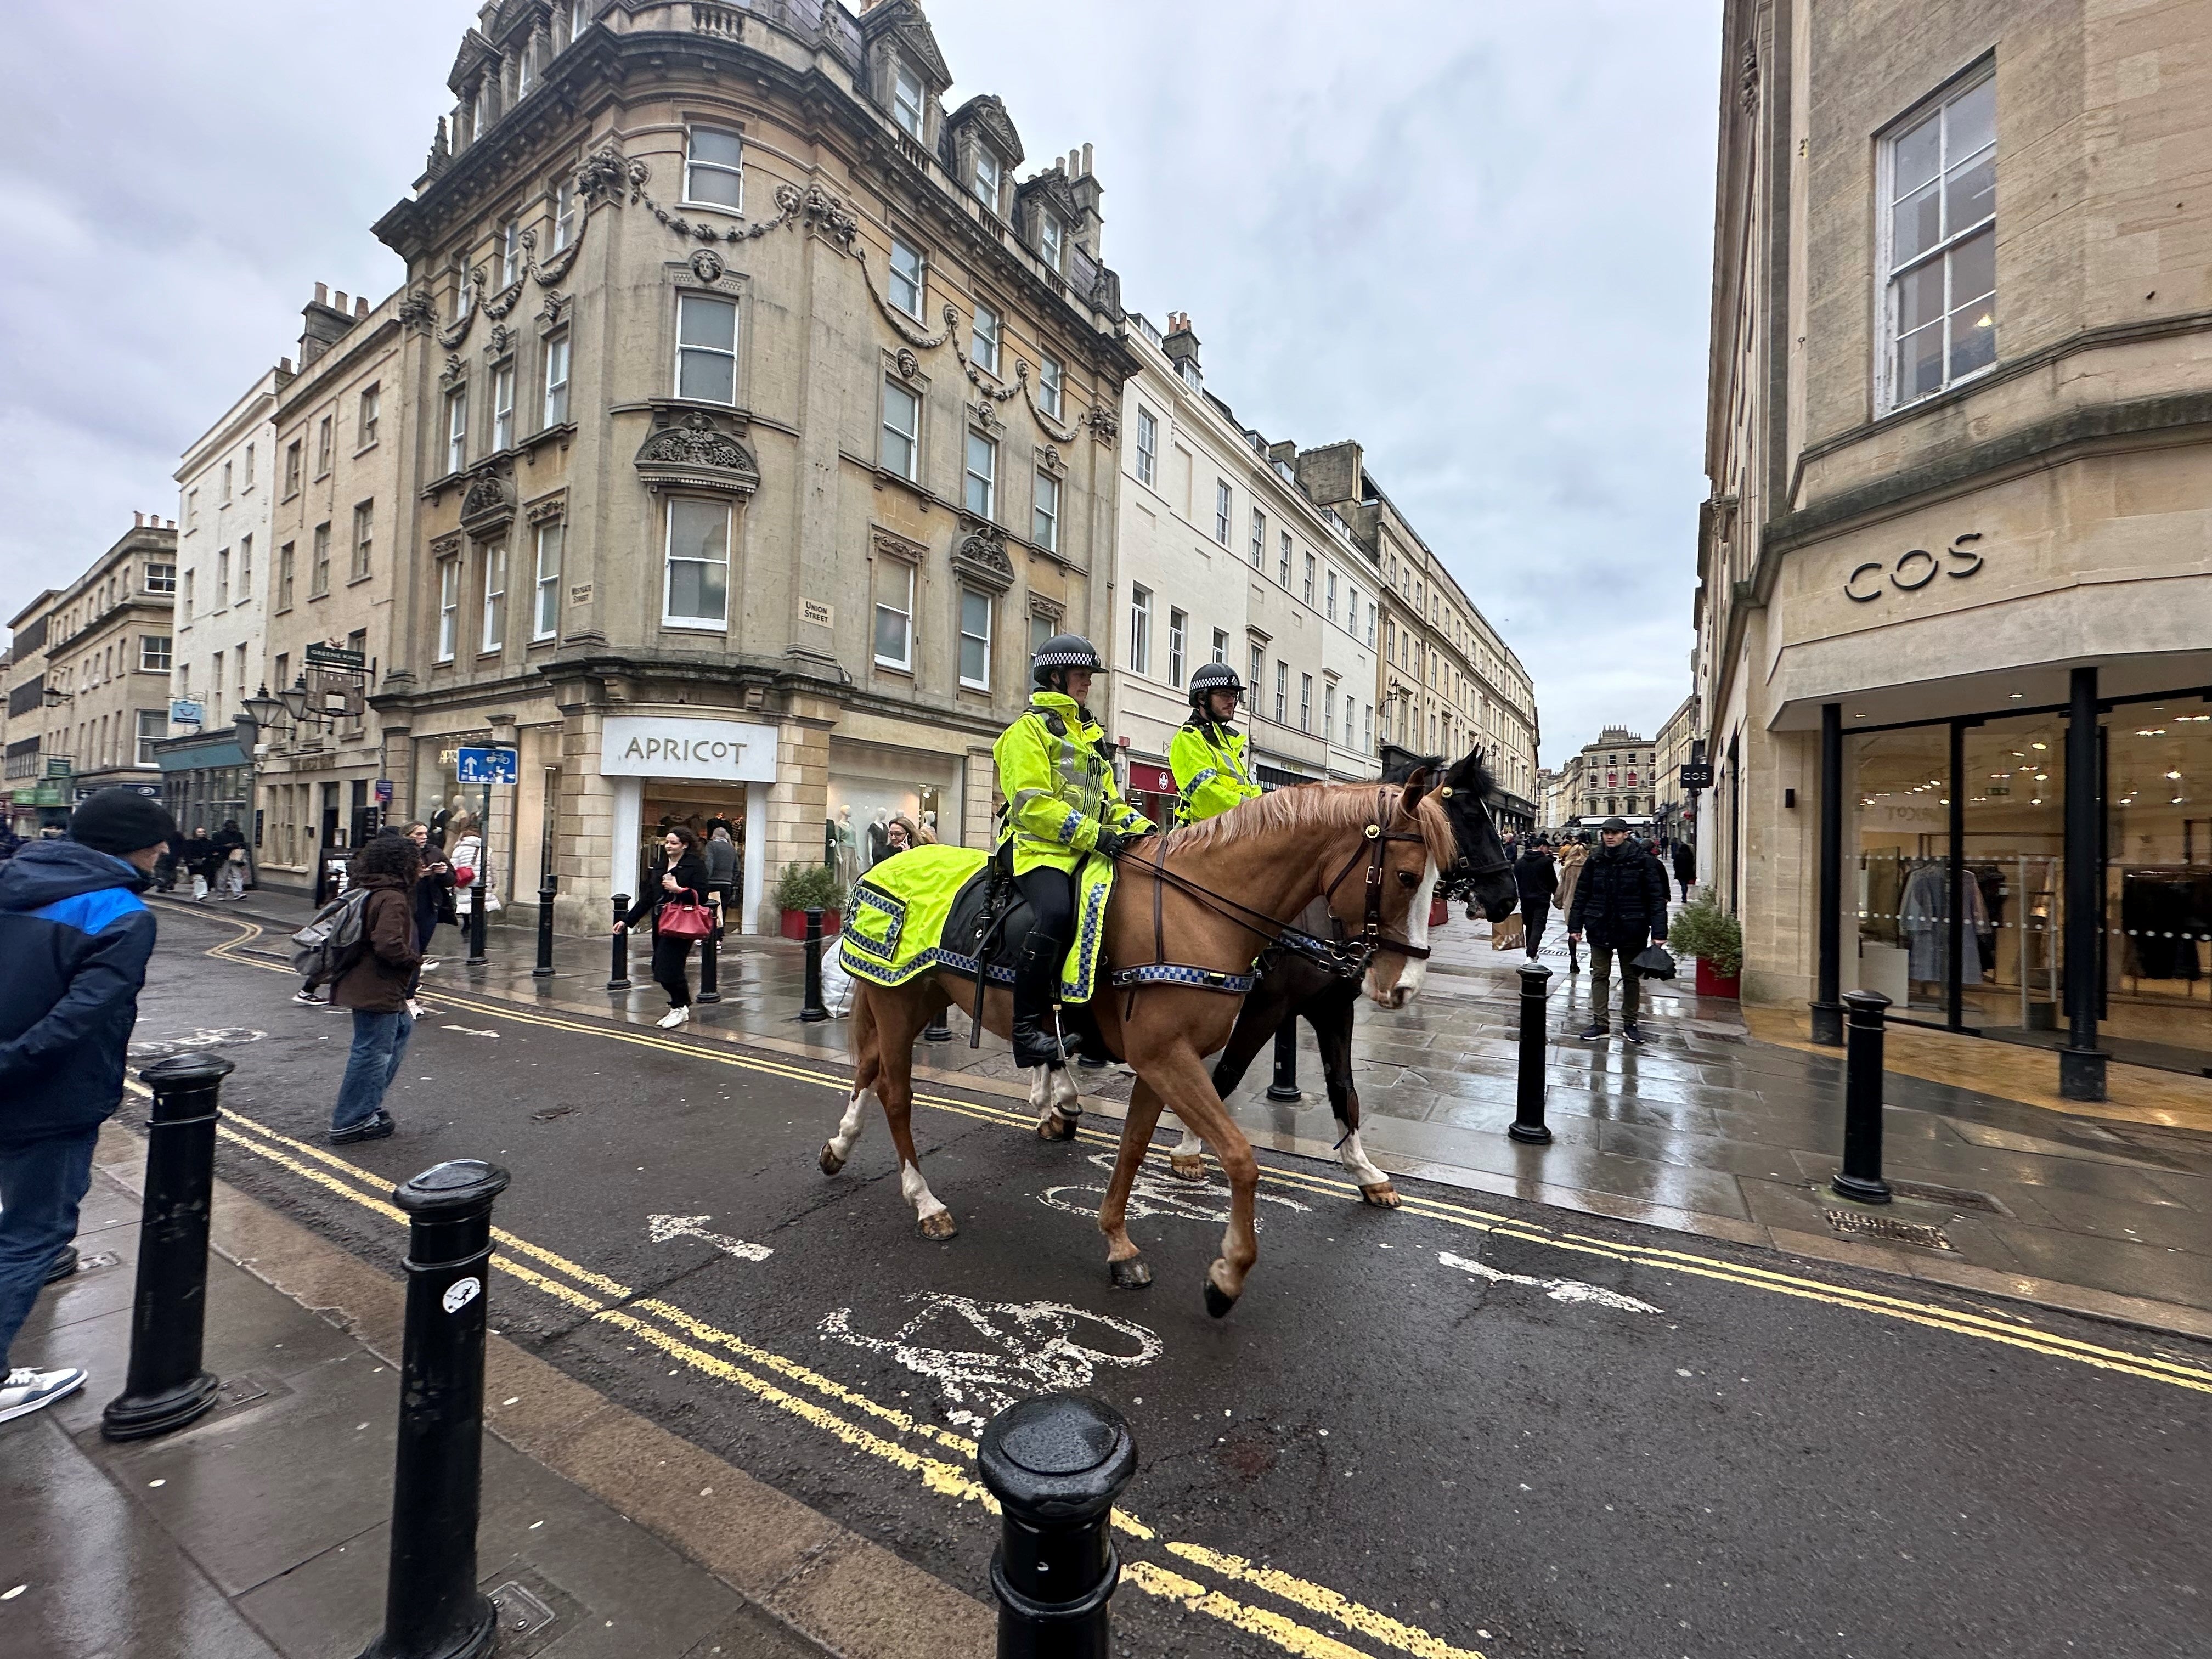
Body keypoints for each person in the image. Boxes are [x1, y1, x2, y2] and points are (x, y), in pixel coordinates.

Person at [0, 788, 174, 1425]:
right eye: (157, 838)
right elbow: (78, 1019)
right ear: (129, 842)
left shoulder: (12, 878)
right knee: (32, 1237)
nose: (163, 849)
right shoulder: (122, 913)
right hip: (45, 1098)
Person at [994, 635, 1154, 1070]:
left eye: (1088, 676)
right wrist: (1094, 836)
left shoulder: (1090, 737)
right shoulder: (1024, 733)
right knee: (1057, 913)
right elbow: (1032, 805)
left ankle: (1090, 1022)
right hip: (1034, 849)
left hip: (1083, 850)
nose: (1088, 683)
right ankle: (1026, 1031)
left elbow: (1111, 802)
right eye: (1081, 675)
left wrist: (1145, 831)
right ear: (1056, 677)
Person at [327, 833, 425, 1144]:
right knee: (371, 1051)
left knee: (400, 1030)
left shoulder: (369, 889)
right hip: (377, 986)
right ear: (403, 864)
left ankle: (367, 1107)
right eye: (417, 861)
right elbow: (388, 944)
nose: (422, 866)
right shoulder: (393, 897)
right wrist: (413, 961)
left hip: (368, 983)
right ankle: (352, 1121)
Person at [1567, 816, 1671, 1044]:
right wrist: (1575, 926)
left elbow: (1656, 899)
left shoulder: (1643, 862)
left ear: (1625, 834)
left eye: (1614, 833)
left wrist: (1659, 932)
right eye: (1606, 833)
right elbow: (1581, 896)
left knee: (1631, 976)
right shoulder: (1595, 861)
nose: (1609, 836)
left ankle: (1630, 1023)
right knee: (1599, 975)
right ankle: (1600, 1023)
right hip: (1599, 925)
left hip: (1632, 926)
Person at [616, 826, 710, 1029]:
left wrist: (679, 890)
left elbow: (701, 896)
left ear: (685, 845)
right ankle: (681, 1006)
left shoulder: (695, 866)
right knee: (659, 967)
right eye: (667, 842)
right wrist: (627, 920)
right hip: (661, 922)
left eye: (674, 843)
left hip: (682, 923)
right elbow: (649, 898)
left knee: (669, 968)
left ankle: (679, 1007)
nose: (668, 846)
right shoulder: (660, 867)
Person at [1169, 663, 1263, 828]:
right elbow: (1205, 794)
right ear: (1202, 698)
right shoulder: (1189, 739)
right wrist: (1255, 810)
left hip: (1235, 830)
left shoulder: (1229, 743)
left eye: (1234, 696)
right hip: (1201, 836)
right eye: (1224, 695)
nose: (1231, 701)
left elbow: (1251, 790)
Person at [402, 821, 453, 1014]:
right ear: (407, 836)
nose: (424, 837)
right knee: (410, 952)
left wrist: (442, 874)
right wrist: (416, 876)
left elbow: (452, 880)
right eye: (418, 834)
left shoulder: (435, 852)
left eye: (425, 833)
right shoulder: (400, 854)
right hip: (405, 908)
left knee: (418, 953)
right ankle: (407, 996)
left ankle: (408, 995)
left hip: (428, 908)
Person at [1513, 838, 1558, 960]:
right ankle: (1531, 954)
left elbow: (1517, 882)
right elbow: (1553, 882)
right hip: (1541, 900)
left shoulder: (1519, 862)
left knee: (1530, 926)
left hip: (1526, 900)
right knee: (1539, 926)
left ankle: (1531, 952)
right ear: (1542, 847)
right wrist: (1558, 898)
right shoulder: (1546, 862)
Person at [703, 820, 738, 930]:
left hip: (713, 883)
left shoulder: (711, 846)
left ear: (714, 836)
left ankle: (709, 935)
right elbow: (737, 868)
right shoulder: (732, 849)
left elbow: (709, 863)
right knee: (722, 911)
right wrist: (732, 882)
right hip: (726, 884)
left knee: (709, 910)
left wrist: (705, 879)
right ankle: (719, 937)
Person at [212, 818, 249, 900]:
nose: (232, 828)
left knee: (237, 876)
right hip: (223, 858)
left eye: (234, 827)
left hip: (236, 858)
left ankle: (238, 893)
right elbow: (214, 847)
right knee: (222, 877)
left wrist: (237, 845)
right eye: (230, 827)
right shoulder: (218, 835)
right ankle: (221, 895)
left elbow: (244, 845)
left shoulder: (239, 835)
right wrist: (225, 846)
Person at [1672, 838, 1696, 903]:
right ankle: (1684, 895)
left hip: (1680, 872)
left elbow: (1675, 863)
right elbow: (1692, 863)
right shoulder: (1690, 855)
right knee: (1685, 884)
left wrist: (1676, 869)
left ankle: (1684, 896)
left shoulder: (1678, 855)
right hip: (1688, 872)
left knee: (1682, 884)